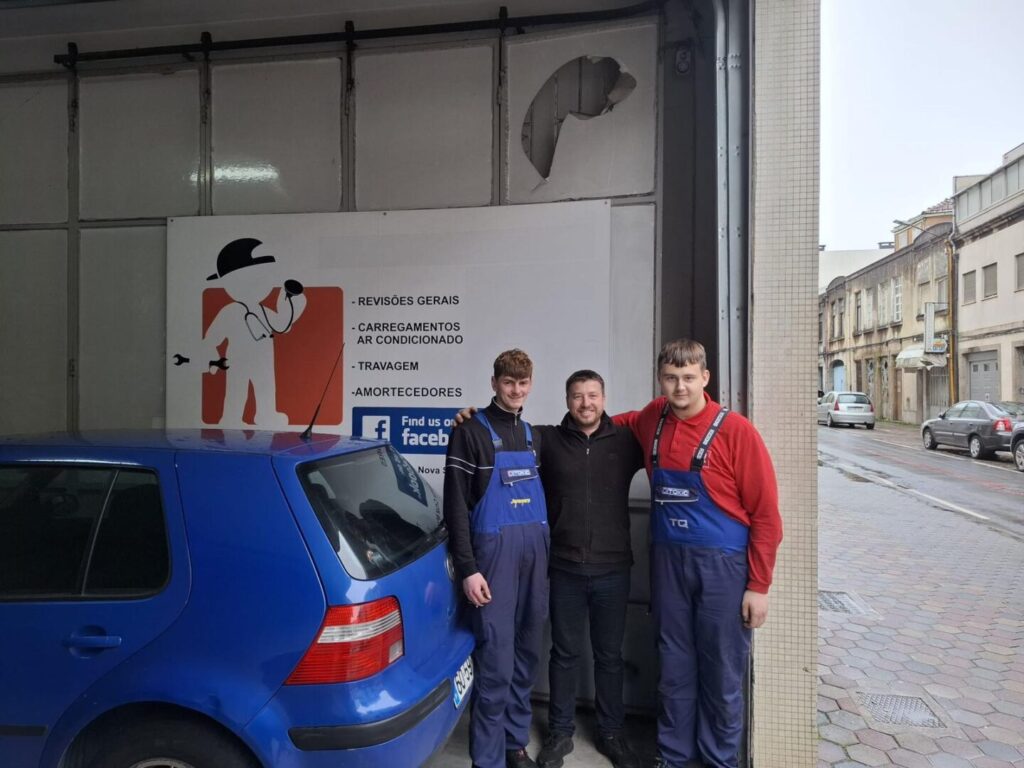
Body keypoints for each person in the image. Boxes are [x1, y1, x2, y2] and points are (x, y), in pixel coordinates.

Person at [613, 339, 782, 768]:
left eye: (688, 377)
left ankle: (719, 760)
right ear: (660, 379)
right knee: (673, 667)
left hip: (723, 568)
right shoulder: (652, 418)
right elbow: (608, 424)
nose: (680, 387)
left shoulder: (737, 431)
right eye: (671, 378)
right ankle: (673, 757)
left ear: (705, 377)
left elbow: (766, 516)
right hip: (668, 564)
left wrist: (759, 586)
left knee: (721, 671)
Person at [444, 349, 550, 768]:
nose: (516, 391)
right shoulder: (469, 432)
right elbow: (455, 507)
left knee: (526, 654)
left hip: (534, 561)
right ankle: (487, 758)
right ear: (494, 383)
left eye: (523, 383)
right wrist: (468, 569)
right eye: (508, 383)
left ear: (531, 385)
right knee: (496, 660)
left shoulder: (532, 435)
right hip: (493, 562)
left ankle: (514, 743)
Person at [533, 370, 644, 768]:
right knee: (563, 654)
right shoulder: (547, 439)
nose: (586, 403)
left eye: (593, 395)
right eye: (578, 396)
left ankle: (611, 733)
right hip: (564, 567)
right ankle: (560, 733)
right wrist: (469, 419)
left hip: (613, 569)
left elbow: (664, 425)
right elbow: (501, 432)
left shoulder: (626, 441)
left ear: (604, 398)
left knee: (609, 656)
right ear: (567, 400)